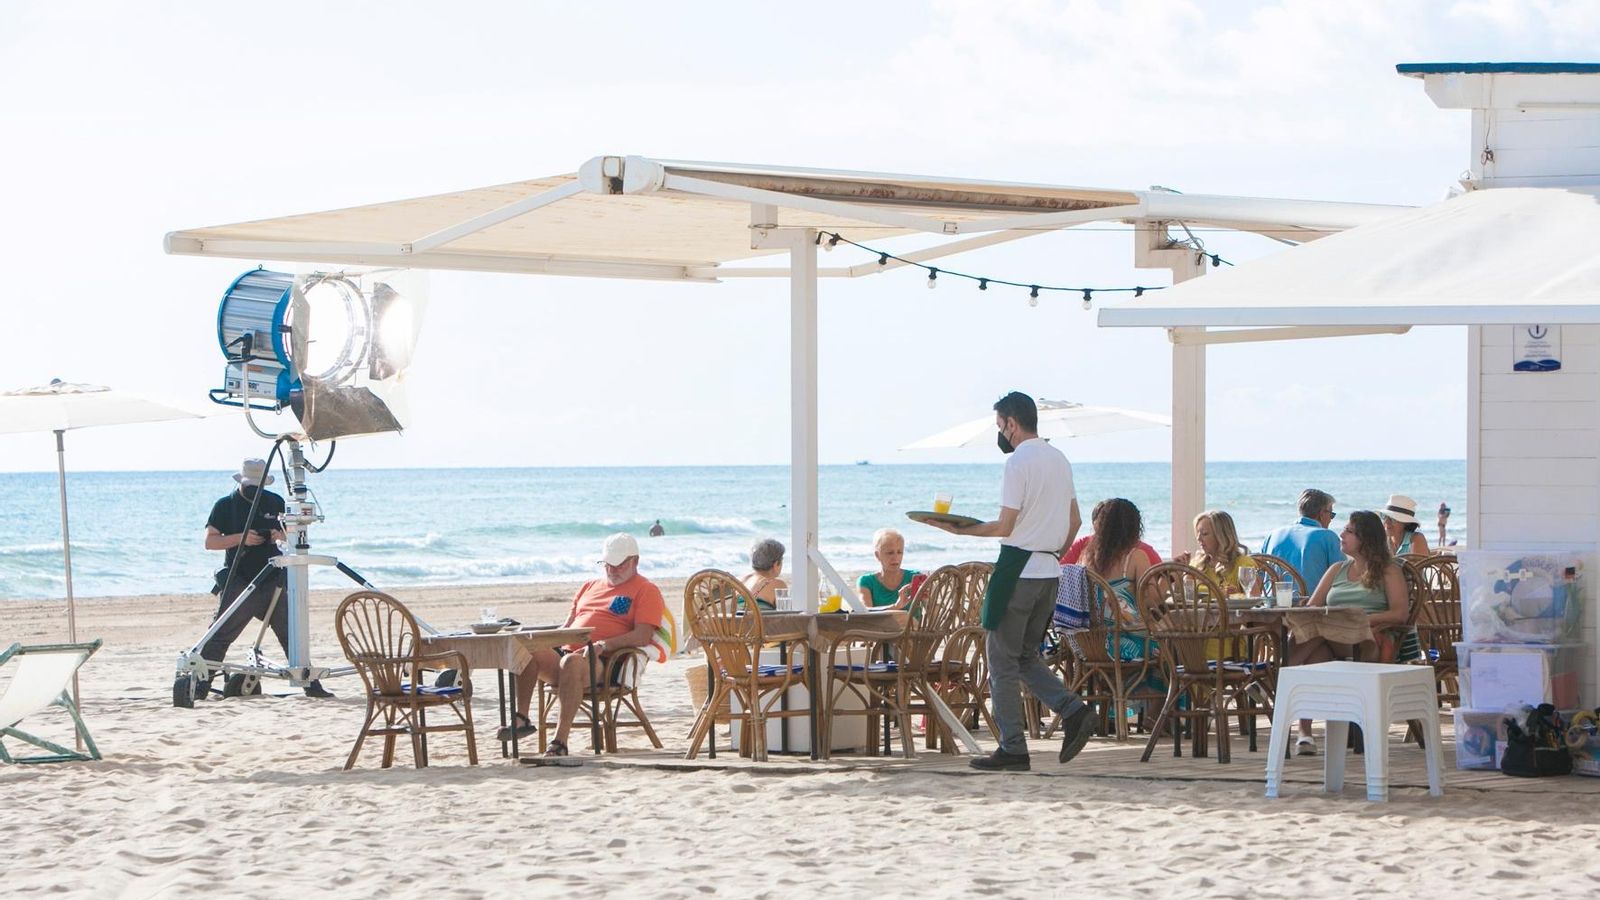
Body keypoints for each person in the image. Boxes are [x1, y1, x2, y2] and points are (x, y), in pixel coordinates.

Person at [926, 391, 1091, 772]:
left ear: (1011, 424)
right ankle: (1073, 710)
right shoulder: (1059, 459)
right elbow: (1076, 520)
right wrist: (1052, 552)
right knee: (1025, 656)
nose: (1000, 434)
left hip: (1017, 570)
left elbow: (1005, 525)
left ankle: (1013, 747)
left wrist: (959, 530)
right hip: (1049, 571)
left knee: (1000, 660)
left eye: (1000, 426)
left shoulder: (1018, 462)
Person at [506, 533, 666, 762]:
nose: (612, 569)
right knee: (524, 649)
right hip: (567, 653)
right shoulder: (589, 586)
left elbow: (643, 635)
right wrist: (536, 638)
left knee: (571, 662)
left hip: (605, 661)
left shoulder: (646, 590)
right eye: (608, 564)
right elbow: (566, 626)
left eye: (619, 564)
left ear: (635, 561)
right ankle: (522, 719)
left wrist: (603, 645)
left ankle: (560, 742)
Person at [202, 459, 334, 699]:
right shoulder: (225, 505)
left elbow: (292, 535)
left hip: (273, 579)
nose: (254, 490)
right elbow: (210, 542)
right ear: (241, 481)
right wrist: (242, 538)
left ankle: (311, 686)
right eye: (250, 485)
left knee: (291, 633)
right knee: (220, 635)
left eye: (258, 485)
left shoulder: (274, 501)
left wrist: (277, 535)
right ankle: (200, 686)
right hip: (239, 579)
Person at [1286, 510, 1410, 756]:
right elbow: (1313, 608)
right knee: (1315, 650)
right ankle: (1304, 733)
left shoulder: (1388, 570)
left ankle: (1278, 678)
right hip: (1333, 638)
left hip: (1369, 637)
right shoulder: (1337, 569)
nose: (1341, 535)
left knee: (1314, 633)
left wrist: (1360, 619)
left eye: (1349, 531)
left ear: (1366, 538)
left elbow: (1399, 614)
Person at [1072, 498, 1155, 661]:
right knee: (1168, 644)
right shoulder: (1136, 557)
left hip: (1090, 644)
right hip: (1125, 642)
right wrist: (1171, 579)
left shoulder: (1086, 557)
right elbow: (1151, 600)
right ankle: (1146, 678)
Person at [1260, 489, 1345, 593]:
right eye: (1331, 514)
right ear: (1322, 513)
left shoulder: (1273, 535)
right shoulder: (1327, 537)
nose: (1331, 519)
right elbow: (1343, 578)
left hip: (1273, 601)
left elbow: (1259, 575)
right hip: (1311, 602)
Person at [1177, 510, 1249, 592]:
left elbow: (1254, 597)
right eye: (1197, 533)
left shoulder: (1243, 564)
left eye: (1204, 534)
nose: (1198, 538)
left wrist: (1236, 594)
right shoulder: (1196, 563)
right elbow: (1185, 595)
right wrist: (1183, 572)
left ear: (1221, 536)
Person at [857, 528, 920, 609]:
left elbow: (932, 612)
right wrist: (896, 606)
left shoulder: (914, 578)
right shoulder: (867, 582)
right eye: (890, 553)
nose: (895, 557)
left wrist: (929, 599)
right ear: (877, 555)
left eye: (899, 552)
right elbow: (866, 612)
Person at [741, 538, 787, 608]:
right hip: (761, 615)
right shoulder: (779, 585)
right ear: (775, 564)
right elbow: (785, 612)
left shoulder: (742, 580)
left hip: (737, 615)